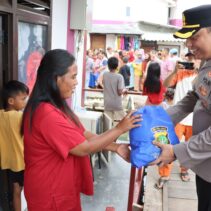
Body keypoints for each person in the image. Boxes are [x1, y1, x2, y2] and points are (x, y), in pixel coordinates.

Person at [21, 49, 141, 211]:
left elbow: (83, 134)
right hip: (50, 192)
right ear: (56, 79)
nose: (77, 82)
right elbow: (83, 147)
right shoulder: (46, 113)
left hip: (61, 186)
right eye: (73, 77)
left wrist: (115, 147)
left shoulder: (57, 106)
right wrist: (120, 128)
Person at [150, 5, 211, 211]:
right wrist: (161, 118)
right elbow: (194, 96)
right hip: (204, 167)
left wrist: (176, 152)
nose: (188, 44)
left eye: (194, 37)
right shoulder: (206, 62)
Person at [0, 80, 29, 211]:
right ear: (11, 101)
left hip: (11, 163)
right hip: (24, 161)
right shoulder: (20, 116)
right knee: (31, 191)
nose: (25, 102)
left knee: (16, 191)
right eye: (23, 99)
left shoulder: (1, 115)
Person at [103, 56, 127, 125]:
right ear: (117, 66)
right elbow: (120, 92)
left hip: (107, 103)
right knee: (124, 121)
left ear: (108, 65)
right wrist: (124, 90)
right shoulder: (119, 77)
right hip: (117, 104)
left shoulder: (105, 75)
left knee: (108, 125)